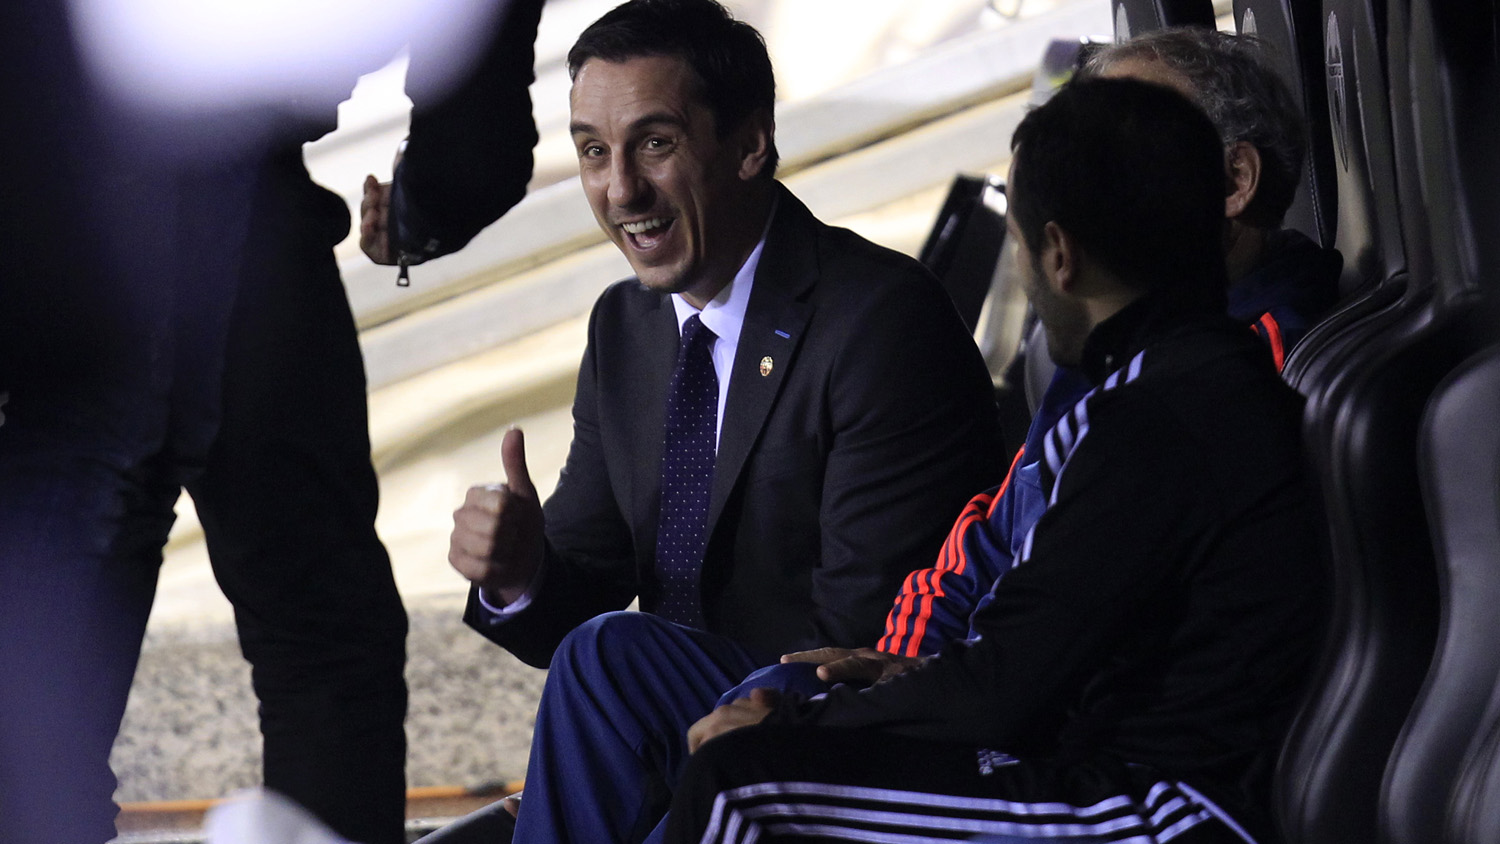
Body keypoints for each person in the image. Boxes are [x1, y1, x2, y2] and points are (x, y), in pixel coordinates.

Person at [666, 75, 1328, 844]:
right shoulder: (1191, 380)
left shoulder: (1158, 421)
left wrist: (798, 717)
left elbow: (1004, 690)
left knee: (741, 780)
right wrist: (898, 683)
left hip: (1166, 807)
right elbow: (1038, 656)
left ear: (1058, 255)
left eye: (1017, 241)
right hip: (1115, 763)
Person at [443, 0, 1004, 840]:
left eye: (655, 144)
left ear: (749, 145)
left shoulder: (880, 321)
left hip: (840, 744)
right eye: (594, 152)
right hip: (678, 734)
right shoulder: (624, 325)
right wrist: (519, 574)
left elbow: (864, 647)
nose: (620, 189)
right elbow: (583, 582)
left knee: (611, 655)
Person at [0, 1, 543, 842]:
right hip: (221, 207)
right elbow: (477, 126)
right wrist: (426, 202)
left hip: (62, 204)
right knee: (321, 639)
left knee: (45, 650)